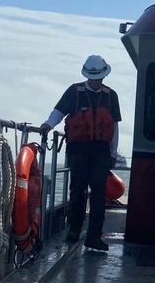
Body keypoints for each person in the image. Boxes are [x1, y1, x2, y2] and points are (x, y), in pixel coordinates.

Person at [39, 54, 123, 251]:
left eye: (98, 78)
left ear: (104, 76)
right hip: (78, 150)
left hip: (101, 152)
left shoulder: (111, 96)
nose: (95, 81)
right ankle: (74, 230)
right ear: (87, 76)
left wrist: (113, 154)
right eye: (92, 77)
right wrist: (48, 124)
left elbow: (114, 126)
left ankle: (94, 236)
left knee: (99, 194)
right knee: (77, 190)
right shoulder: (73, 92)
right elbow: (58, 112)